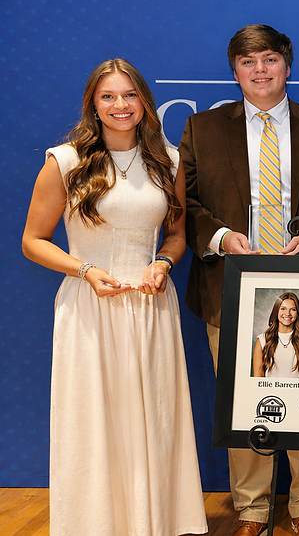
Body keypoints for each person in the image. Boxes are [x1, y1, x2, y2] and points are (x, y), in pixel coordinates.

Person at [180, 24, 299, 536]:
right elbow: (184, 204)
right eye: (248, 62)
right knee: (243, 401)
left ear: (287, 66)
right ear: (235, 72)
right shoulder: (202, 129)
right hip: (230, 285)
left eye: (270, 59)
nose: (260, 70)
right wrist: (222, 237)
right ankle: (252, 509)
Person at [22, 58, 207, 536]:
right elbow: (33, 241)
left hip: (150, 306)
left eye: (129, 95)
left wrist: (163, 264)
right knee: (92, 422)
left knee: (153, 421)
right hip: (90, 305)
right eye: (108, 96)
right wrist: (85, 270)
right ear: (93, 104)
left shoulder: (168, 160)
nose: (120, 105)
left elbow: (176, 236)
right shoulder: (64, 161)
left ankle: (152, 523)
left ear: (144, 101)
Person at [252, 292, 299, 378]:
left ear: (297, 313)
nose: (287, 313)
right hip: (271, 387)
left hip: (298, 387)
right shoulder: (262, 340)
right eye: (283, 309)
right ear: (276, 311)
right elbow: (258, 379)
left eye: (293, 309)